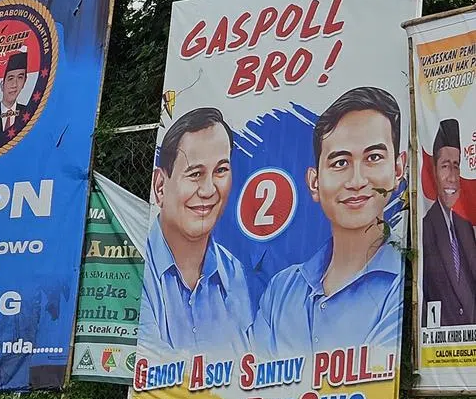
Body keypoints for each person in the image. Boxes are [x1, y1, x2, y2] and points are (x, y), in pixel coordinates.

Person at [252, 87, 406, 357]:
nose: (357, 181)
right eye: (340, 162)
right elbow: (253, 382)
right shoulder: (281, 291)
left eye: (373, 158)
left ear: (397, 169)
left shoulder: (408, 280)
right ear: (314, 182)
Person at [138, 107, 253, 357]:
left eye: (221, 170)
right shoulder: (134, 266)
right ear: (160, 185)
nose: (209, 190)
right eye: (195, 174)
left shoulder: (233, 273)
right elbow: (151, 364)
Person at [421, 119, 476, 327]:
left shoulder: (465, 227)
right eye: (445, 166)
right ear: (434, 171)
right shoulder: (424, 229)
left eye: (456, 166)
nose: (452, 177)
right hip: (442, 348)